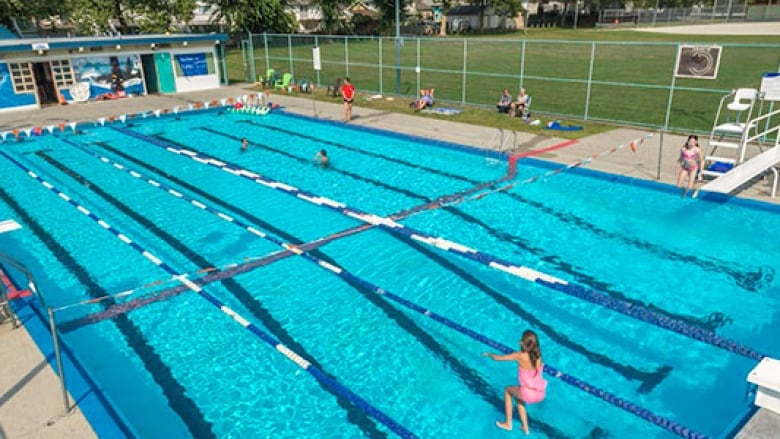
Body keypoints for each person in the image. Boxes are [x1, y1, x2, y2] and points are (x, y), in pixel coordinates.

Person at [484, 330, 547, 435]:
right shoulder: (538, 355)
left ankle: (508, 423)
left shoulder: (519, 356)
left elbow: (497, 358)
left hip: (529, 394)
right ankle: (525, 427)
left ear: (522, 343)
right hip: (540, 393)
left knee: (508, 390)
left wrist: (489, 354)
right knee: (519, 396)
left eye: (521, 340)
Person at [676, 134, 704, 198]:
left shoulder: (697, 150)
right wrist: (678, 167)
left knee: (690, 186)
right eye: (690, 141)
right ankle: (684, 190)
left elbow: (701, 160)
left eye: (694, 142)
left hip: (693, 169)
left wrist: (700, 172)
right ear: (688, 141)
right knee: (679, 185)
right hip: (685, 167)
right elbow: (681, 158)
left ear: (696, 142)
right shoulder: (683, 149)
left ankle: (696, 189)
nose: (692, 143)